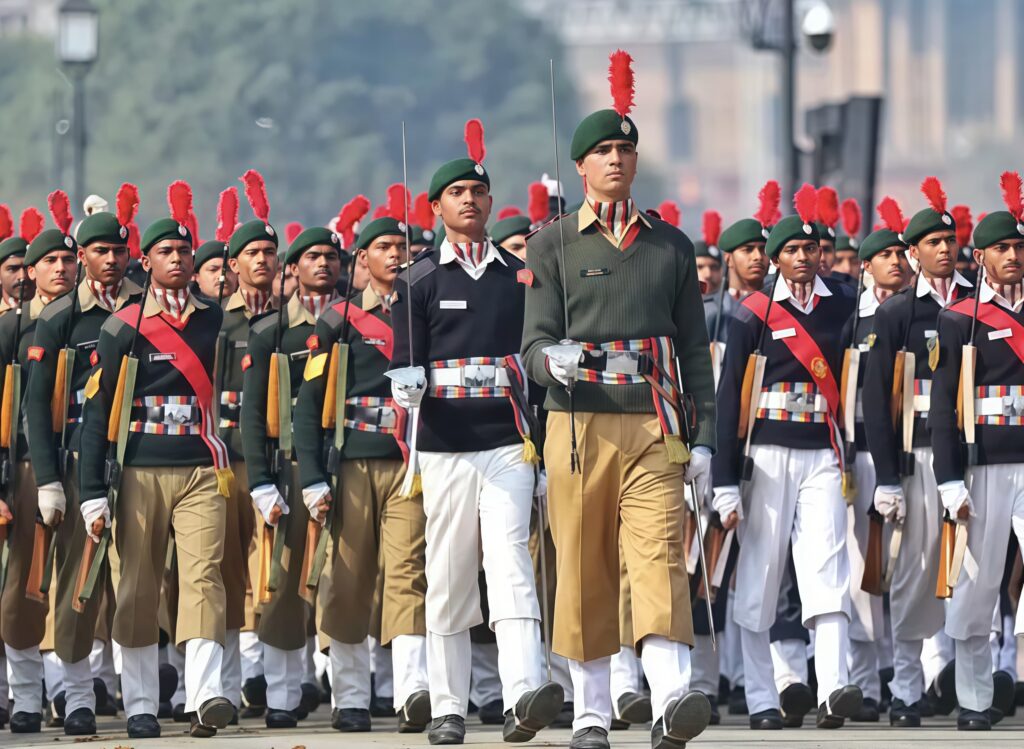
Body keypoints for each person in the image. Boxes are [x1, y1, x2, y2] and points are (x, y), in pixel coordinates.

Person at [522, 50, 715, 749]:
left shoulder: (670, 246)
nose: (615, 159)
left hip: (655, 421)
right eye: (602, 150)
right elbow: (531, 345)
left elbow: (695, 350)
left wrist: (707, 439)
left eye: (625, 149)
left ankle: (671, 699)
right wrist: (552, 361)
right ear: (580, 166)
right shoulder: (553, 246)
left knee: (660, 555)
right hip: (577, 424)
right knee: (583, 565)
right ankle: (592, 710)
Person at [390, 118, 562, 746]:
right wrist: (404, 384)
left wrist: (541, 450)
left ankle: (522, 697)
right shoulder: (417, 281)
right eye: (456, 192)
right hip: (444, 446)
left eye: (478, 191)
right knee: (451, 572)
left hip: (508, 443)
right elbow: (404, 363)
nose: (469, 200)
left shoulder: (515, 279)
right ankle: (447, 706)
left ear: (490, 203)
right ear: (436, 208)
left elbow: (532, 372)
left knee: (511, 563)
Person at [78, 181, 236, 738]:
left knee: (203, 579)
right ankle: (141, 702)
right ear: (147, 261)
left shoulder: (216, 321)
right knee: (138, 585)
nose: (177, 259)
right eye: (166, 252)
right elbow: (98, 415)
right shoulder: (121, 327)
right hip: (139, 466)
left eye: (184, 251)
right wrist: (91, 490)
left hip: (200, 466)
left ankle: (205, 697)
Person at [712, 184, 862, 730]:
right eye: (792, 250)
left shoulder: (842, 302)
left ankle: (835, 688)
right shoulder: (754, 312)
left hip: (821, 449)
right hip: (767, 454)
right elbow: (730, 398)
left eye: (810, 248)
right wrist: (725, 480)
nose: (803, 257)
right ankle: (761, 697)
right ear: (775, 258)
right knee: (760, 574)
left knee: (827, 567)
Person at [295, 216, 431, 734]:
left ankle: (412, 690)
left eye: (403, 246)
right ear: (363, 258)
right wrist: (312, 477)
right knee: (347, 580)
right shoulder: (338, 320)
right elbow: (308, 405)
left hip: (410, 461)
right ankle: (350, 695)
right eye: (384, 247)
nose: (396, 255)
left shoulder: (426, 311)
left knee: (408, 575)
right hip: (351, 461)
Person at [24, 188, 142, 736]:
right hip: (77, 460)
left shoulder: (147, 306)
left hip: (138, 459)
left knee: (138, 583)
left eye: (118, 250)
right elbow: (35, 404)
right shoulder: (60, 318)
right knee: (77, 584)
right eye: (97, 252)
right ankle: (76, 698)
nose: (109, 260)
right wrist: (48, 479)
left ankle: (142, 699)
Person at [863, 179, 973, 726]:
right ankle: (906, 687)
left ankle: (965, 682)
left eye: (949, 239)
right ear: (913, 254)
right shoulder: (897, 314)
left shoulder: (979, 305)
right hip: (922, 455)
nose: (944, 248)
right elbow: (878, 400)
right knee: (914, 569)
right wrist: (887, 476)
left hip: (981, 454)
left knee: (975, 573)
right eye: (932, 241)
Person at [240, 184, 343, 728]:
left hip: (346, 465)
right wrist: (260, 481)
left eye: (330, 256)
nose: (322, 264)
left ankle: (355, 695)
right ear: (293, 268)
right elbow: (253, 417)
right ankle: (282, 694)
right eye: (311, 257)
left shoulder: (356, 322)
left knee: (345, 582)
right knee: (282, 585)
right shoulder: (271, 333)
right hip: (291, 469)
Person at [929, 173, 1024, 730]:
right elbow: (944, 408)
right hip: (983, 461)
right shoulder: (958, 319)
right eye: (1003, 249)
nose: (1013, 256)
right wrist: (948, 479)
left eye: (1019, 247)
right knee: (976, 583)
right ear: (981, 256)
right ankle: (974, 699)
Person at [0, 193, 77, 734]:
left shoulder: (91, 321)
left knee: (76, 585)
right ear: (30, 271)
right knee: (26, 587)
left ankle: (75, 696)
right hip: (26, 467)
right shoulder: (12, 329)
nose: (60, 268)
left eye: (68, 260)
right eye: (49, 260)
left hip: (83, 464)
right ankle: (27, 697)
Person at [838, 210, 914, 722]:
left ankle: (907, 677)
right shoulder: (853, 320)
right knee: (863, 573)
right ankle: (866, 682)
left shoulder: (919, 312)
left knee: (910, 566)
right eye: (884, 255)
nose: (895, 262)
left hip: (912, 455)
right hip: (862, 454)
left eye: (899, 254)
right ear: (865, 266)